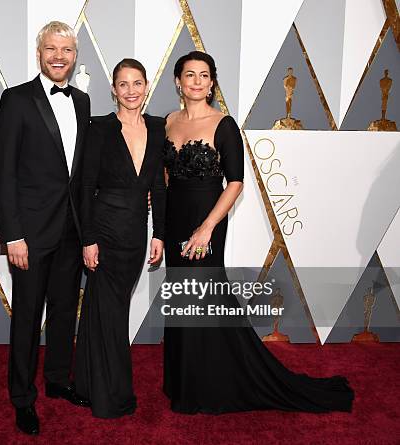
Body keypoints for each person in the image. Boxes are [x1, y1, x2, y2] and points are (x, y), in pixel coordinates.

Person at [162, 50, 354, 414]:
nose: (197, 81)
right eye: (190, 75)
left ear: (212, 82)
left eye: (205, 75)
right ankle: (184, 379)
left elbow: (235, 183)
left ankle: (207, 383)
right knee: (183, 296)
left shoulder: (224, 124)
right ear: (178, 81)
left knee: (202, 297)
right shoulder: (169, 121)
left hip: (208, 221)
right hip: (175, 221)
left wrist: (206, 228)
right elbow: (168, 174)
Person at [0, 21, 91, 435]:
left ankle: (56, 381)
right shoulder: (15, 99)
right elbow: (4, 173)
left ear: (74, 56)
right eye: (51, 49)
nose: (58, 56)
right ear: (39, 53)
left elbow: (82, 175)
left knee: (66, 311)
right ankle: (22, 397)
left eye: (66, 50)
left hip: (72, 231)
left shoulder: (84, 101)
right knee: (28, 318)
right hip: (30, 235)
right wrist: (12, 234)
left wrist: (88, 234)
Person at [75, 59, 166, 419]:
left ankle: (87, 383)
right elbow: (84, 186)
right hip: (105, 229)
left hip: (136, 233)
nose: (130, 90)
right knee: (107, 312)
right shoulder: (98, 128)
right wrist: (88, 238)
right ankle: (110, 394)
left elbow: (159, 186)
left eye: (137, 83)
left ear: (146, 87)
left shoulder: (157, 129)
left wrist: (159, 233)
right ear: (113, 90)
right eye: (123, 84)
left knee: (108, 311)